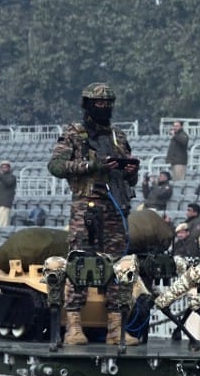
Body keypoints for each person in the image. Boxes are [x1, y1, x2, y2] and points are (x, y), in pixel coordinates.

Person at [47, 82, 140, 346]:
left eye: (108, 103)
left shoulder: (118, 136)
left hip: (115, 207)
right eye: (99, 103)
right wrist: (91, 165)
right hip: (86, 207)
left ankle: (116, 327)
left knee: (117, 266)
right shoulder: (74, 134)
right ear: (87, 105)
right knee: (80, 264)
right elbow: (56, 166)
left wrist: (130, 172)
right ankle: (73, 327)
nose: (104, 107)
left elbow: (130, 178)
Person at [0, 160, 16, 227]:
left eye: (5, 167)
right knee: (0, 225)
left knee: (3, 226)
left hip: (4, 204)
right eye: (2, 167)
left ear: (9, 168)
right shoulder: (0, 180)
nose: (4, 168)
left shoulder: (11, 177)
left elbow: (8, 183)